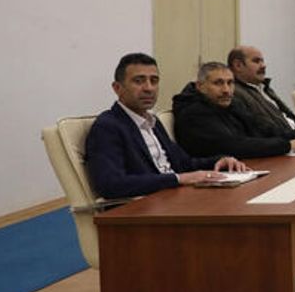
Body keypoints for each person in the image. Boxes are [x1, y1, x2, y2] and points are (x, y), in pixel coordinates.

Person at [84, 53, 247, 199]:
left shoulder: (153, 121)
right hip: (144, 208)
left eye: (154, 81)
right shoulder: (108, 126)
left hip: (173, 196)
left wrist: (219, 161)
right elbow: (111, 184)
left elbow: (184, 164)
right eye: (139, 81)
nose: (149, 88)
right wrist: (178, 179)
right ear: (117, 88)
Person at [173, 62, 295, 158]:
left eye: (230, 83)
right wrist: (289, 145)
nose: (226, 90)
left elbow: (262, 128)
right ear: (200, 86)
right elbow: (234, 146)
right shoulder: (193, 113)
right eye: (218, 83)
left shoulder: (230, 104)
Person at [228, 45, 295, 136]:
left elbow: (286, 116)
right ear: (238, 65)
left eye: (262, 61)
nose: (263, 65)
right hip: (287, 143)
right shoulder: (235, 93)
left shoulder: (264, 87)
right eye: (256, 61)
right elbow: (261, 129)